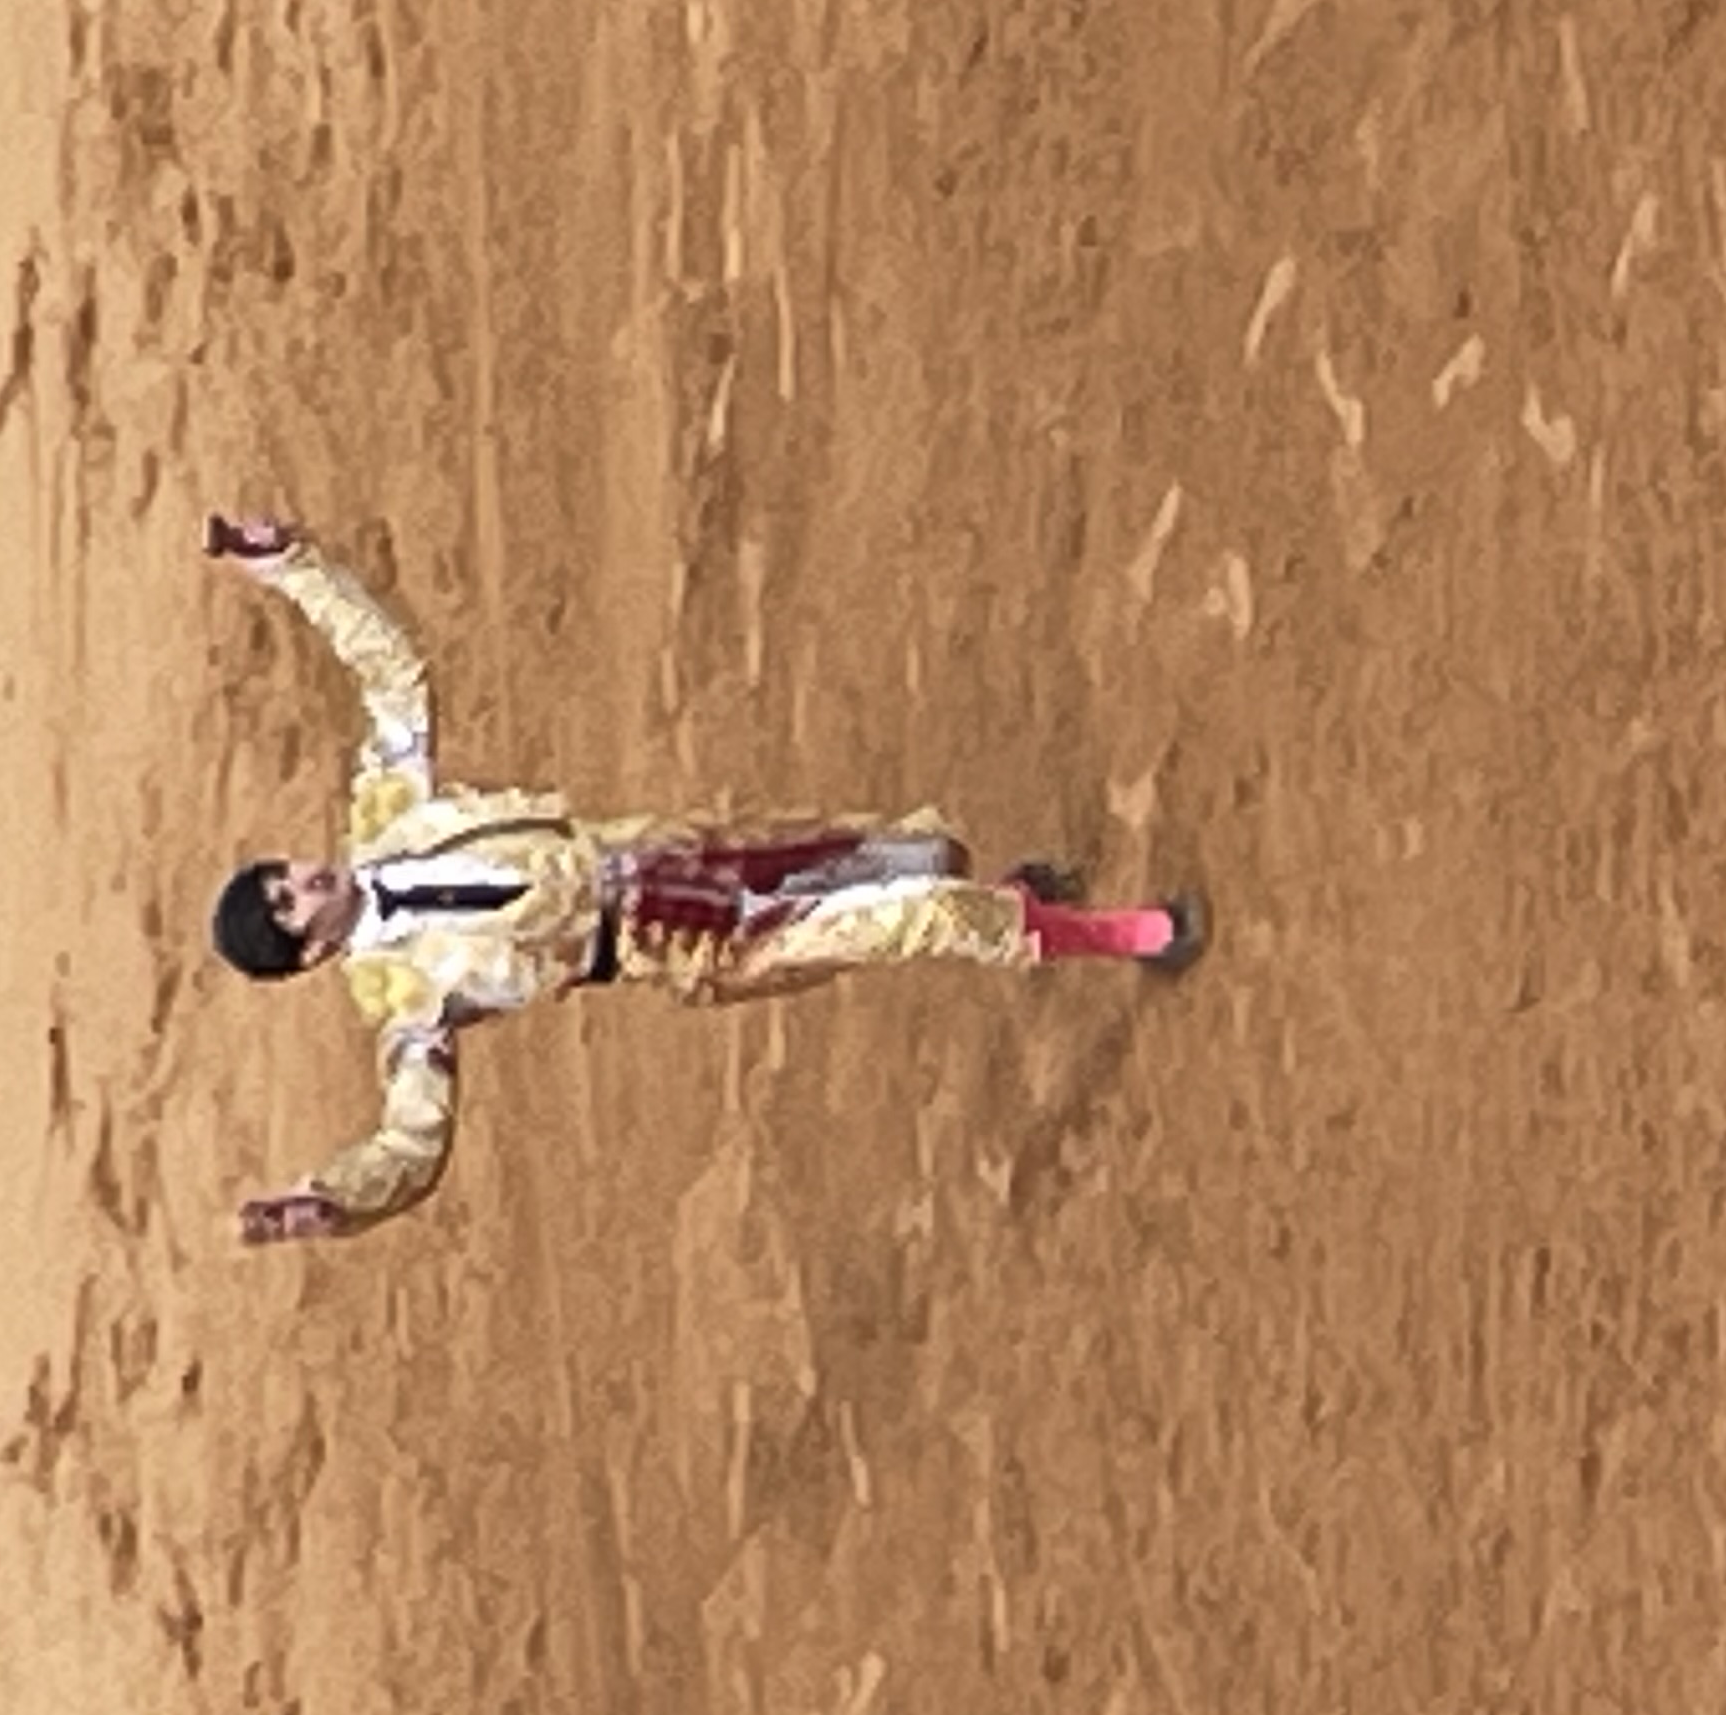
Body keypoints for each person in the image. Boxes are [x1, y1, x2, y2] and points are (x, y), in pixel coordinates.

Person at [200, 514, 1203, 1244]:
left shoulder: (386, 818)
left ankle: (1019, 912)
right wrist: (334, 1198)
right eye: (290, 906)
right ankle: (1130, 936)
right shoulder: (404, 1001)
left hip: (672, 853)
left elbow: (392, 674)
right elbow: (411, 1142)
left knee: (917, 861)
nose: (303, 881)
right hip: (677, 946)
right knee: (914, 916)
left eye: (281, 874)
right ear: (310, 950)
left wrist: (293, 567)